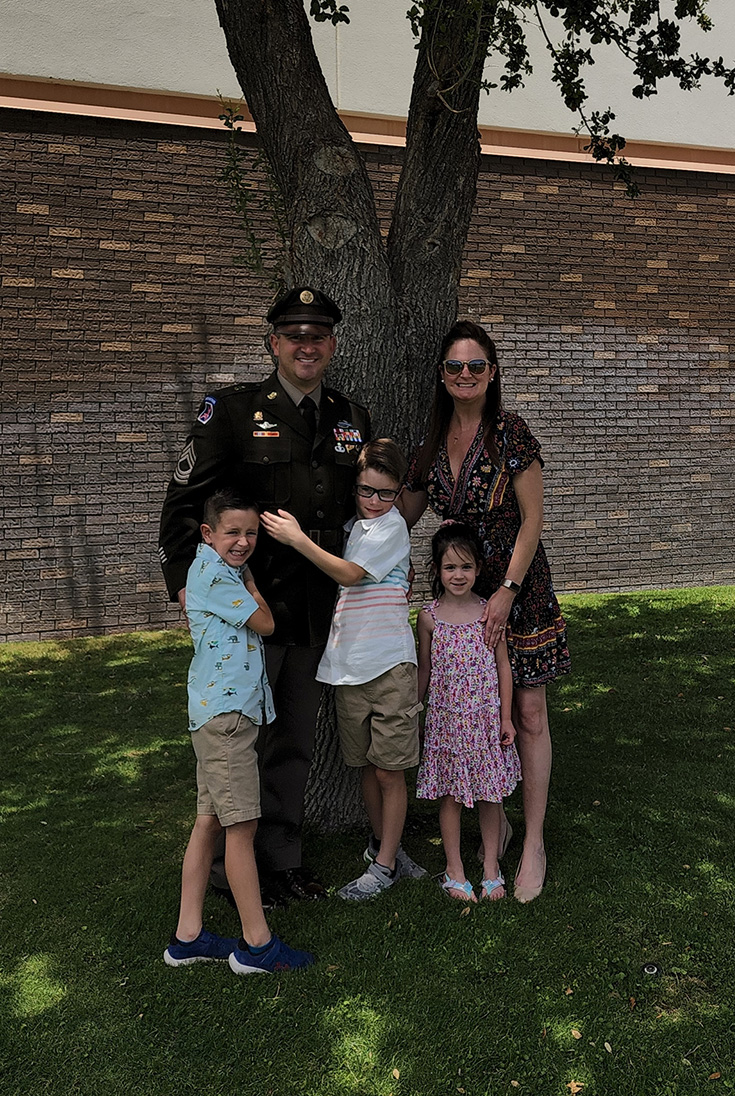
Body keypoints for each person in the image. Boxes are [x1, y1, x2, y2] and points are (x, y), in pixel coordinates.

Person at [159, 287, 370, 907]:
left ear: (332, 343)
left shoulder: (351, 417)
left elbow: (362, 511)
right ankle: (231, 868)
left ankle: (279, 861)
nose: (307, 346)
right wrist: (183, 587)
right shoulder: (231, 410)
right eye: (294, 335)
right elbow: (181, 505)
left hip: (313, 609)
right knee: (240, 740)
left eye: (319, 335)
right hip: (248, 613)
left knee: (295, 741)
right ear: (272, 343)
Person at [402, 320, 570, 903]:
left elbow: (532, 520)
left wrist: (506, 592)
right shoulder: (431, 440)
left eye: (476, 365)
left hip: (515, 592)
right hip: (458, 596)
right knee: (468, 707)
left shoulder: (512, 434)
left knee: (526, 712)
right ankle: (485, 834)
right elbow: (399, 513)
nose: (465, 375)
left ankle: (533, 842)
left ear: (492, 372)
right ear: (442, 376)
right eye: (455, 366)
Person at [260, 439, 427, 900]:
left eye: (385, 493)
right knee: (368, 770)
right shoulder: (353, 527)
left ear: (397, 495)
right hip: (348, 669)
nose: (374, 502)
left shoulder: (392, 528)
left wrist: (297, 539)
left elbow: (350, 575)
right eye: (365, 491)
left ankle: (386, 866)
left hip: (390, 666)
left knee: (391, 771)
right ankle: (382, 847)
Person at [164, 490, 314, 973]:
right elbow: (267, 623)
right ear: (208, 534)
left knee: (208, 822)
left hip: (220, 716)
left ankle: (187, 937)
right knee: (241, 828)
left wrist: (244, 575)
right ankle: (257, 946)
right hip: (226, 720)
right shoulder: (218, 575)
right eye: (233, 531)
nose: (244, 541)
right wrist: (251, 581)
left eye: (251, 533)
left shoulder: (212, 571)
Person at [416, 521, 521, 902]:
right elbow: (425, 669)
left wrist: (506, 718)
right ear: (437, 571)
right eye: (449, 567)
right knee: (451, 797)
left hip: (485, 722)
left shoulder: (489, 613)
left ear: (478, 569)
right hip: (446, 723)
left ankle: (492, 868)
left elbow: (503, 667)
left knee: (492, 796)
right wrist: (416, 709)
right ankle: (455, 871)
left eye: (465, 567)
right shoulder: (428, 618)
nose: (457, 575)